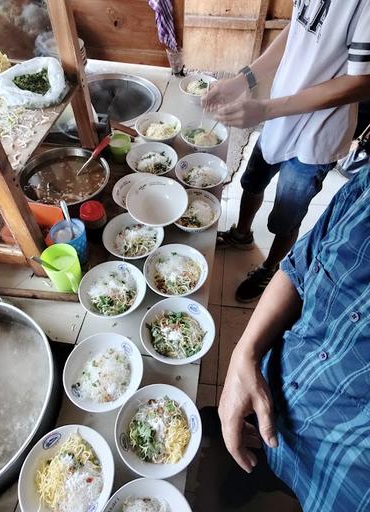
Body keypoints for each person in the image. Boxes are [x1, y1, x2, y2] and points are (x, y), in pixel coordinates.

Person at [218, 163, 370, 512]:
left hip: (334, 487)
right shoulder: (365, 188)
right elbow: (300, 266)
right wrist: (245, 354)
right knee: (239, 471)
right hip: (267, 389)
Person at [202, 0, 370, 302]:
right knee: (251, 182)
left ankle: (270, 267)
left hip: (317, 133)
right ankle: (242, 235)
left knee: (287, 213)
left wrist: (267, 108)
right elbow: (298, 26)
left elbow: (362, 82)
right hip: (278, 114)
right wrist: (245, 79)